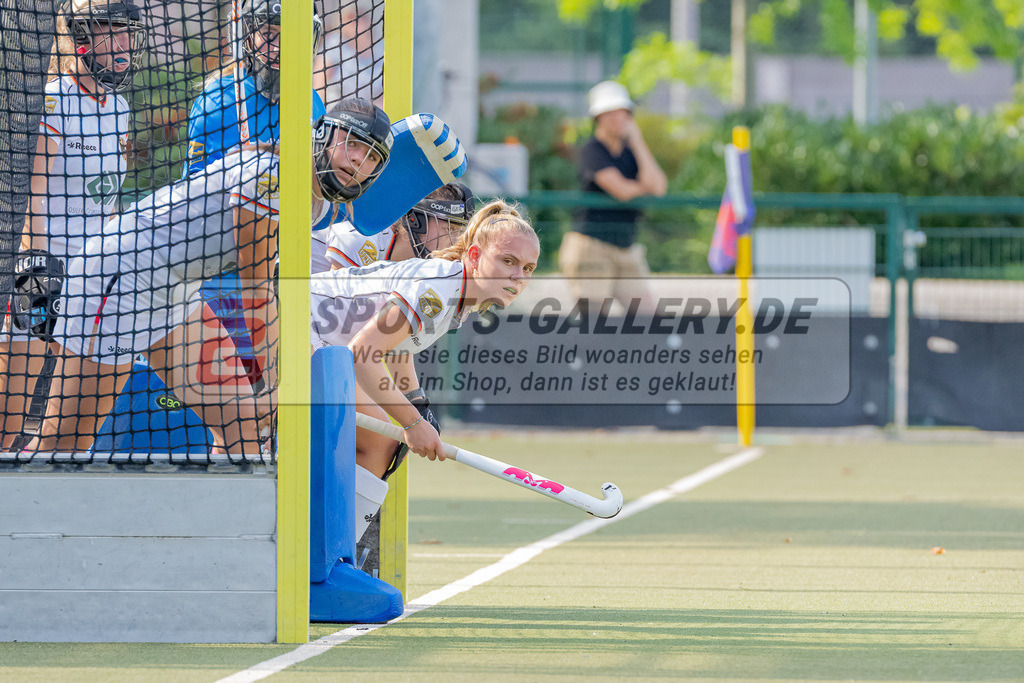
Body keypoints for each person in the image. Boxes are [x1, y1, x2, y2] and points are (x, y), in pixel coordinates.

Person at [27, 98, 391, 454]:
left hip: (177, 294)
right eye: (352, 143)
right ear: (323, 135)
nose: (359, 160)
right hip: (120, 279)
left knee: (243, 427)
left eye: (373, 156)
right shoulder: (272, 177)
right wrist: (279, 384)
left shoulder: (318, 201)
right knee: (63, 443)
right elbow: (256, 289)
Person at [0, 0, 146, 450]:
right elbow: (34, 192)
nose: (123, 46)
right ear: (83, 40)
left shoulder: (119, 107)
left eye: (128, 36)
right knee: (9, 413)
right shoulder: (55, 98)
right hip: (44, 268)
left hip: (94, 272)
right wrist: (38, 268)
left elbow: (109, 198)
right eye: (112, 34)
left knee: (69, 419)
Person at [309, 200, 539, 479]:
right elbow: (362, 353)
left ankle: (340, 521)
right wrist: (413, 422)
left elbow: (395, 349)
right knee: (379, 442)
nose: (518, 277)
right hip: (296, 324)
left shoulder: (458, 292)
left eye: (528, 268)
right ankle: (333, 523)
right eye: (508, 261)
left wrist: (417, 404)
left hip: (319, 340)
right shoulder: (438, 289)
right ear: (475, 257)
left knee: (379, 442)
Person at [559, 80, 667, 313]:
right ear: (597, 118)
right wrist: (642, 186)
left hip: (626, 247)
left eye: (623, 112)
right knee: (594, 321)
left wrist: (638, 142)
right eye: (610, 113)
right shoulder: (591, 151)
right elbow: (622, 191)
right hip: (592, 246)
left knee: (648, 319)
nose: (618, 118)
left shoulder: (631, 152)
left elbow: (658, 186)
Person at [182, 0, 326, 177]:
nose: (278, 48)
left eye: (291, 33)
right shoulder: (217, 101)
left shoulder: (312, 102)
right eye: (268, 33)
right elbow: (196, 192)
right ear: (247, 36)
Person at [318, 182, 475, 271]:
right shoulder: (365, 235)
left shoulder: (410, 267)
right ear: (416, 220)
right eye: (449, 229)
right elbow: (333, 305)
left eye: (460, 232)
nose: (455, 241)